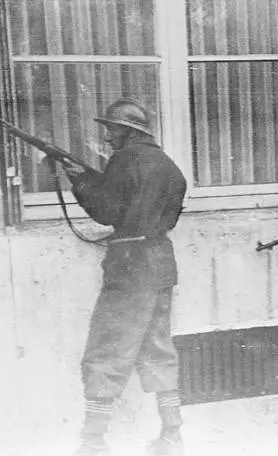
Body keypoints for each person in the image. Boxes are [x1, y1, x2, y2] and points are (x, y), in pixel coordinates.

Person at [62, 98, 187, 455]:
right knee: (159, 349)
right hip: (161, 261)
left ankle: (93, 442)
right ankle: (172, 436)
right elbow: (150, 209)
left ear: (130, 132)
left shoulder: (124, 160)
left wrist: (79, 180)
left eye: (113, 129)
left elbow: (108, 210)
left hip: (130, 265)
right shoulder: (169, 165)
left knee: (107, 350)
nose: (108, 137)